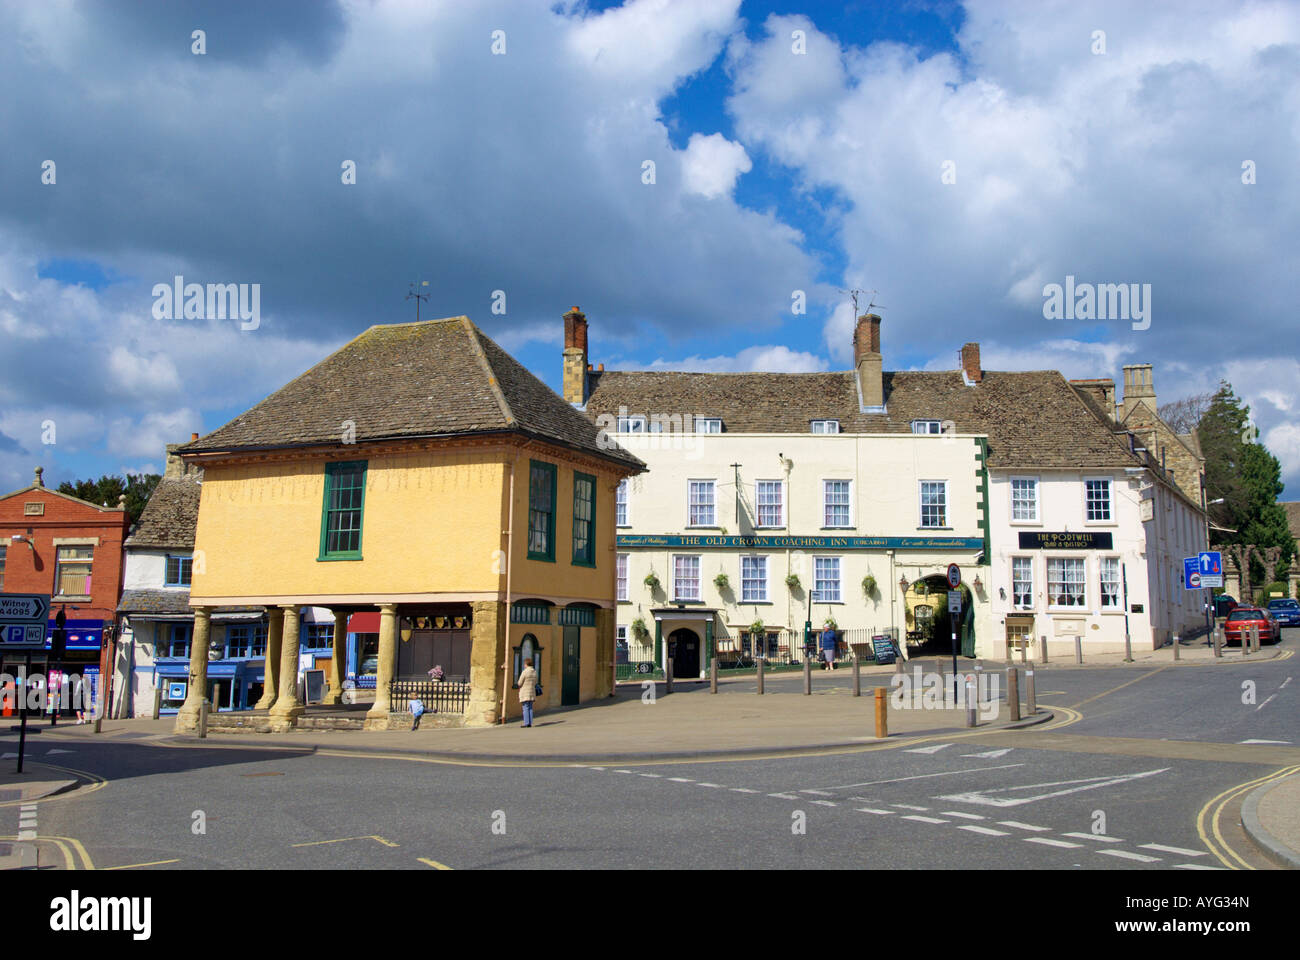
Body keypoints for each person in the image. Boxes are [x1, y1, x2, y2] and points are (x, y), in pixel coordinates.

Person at [517, 657, 538, 727]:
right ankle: (530, 723)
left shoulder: (525, 672)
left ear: (526, 664)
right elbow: (535, 682)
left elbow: (519, 683)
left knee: (525, 708)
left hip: (525, 692)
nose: (524, 665)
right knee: (530, 708)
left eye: (524, 664)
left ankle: (526, 723)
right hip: (531, 692)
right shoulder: (534, 672)